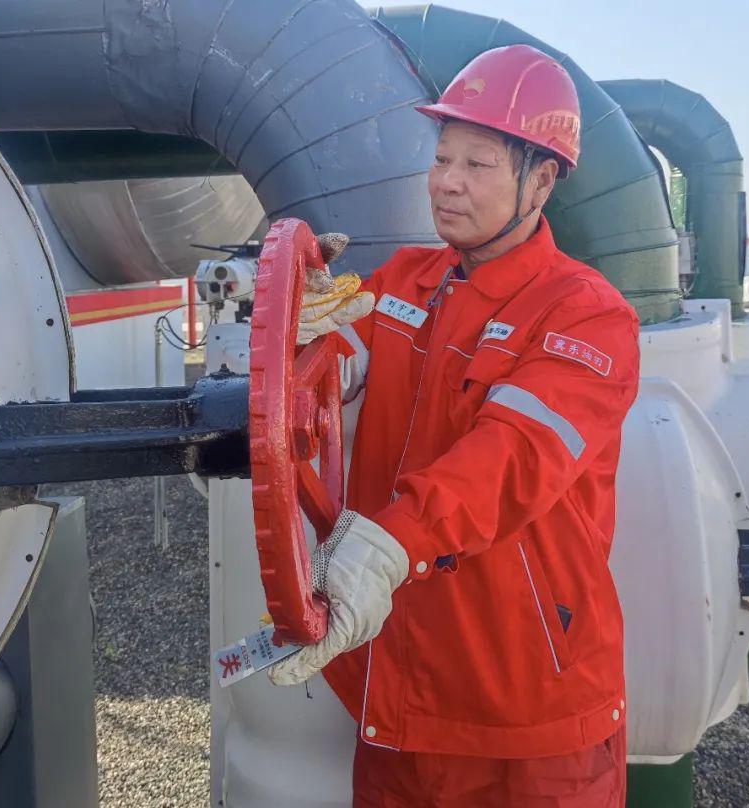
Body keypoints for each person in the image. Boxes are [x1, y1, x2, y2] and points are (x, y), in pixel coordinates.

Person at [271, 44, 640, 807]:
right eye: (442, 158)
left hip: (529, 711)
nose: (447, 183)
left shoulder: (586, 315)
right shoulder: (404, 280)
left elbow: (513, 458)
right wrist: (299, 328)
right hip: (400, 693)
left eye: (478, 164)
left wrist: (387, 543)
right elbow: (323, 374)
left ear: (541, 180)